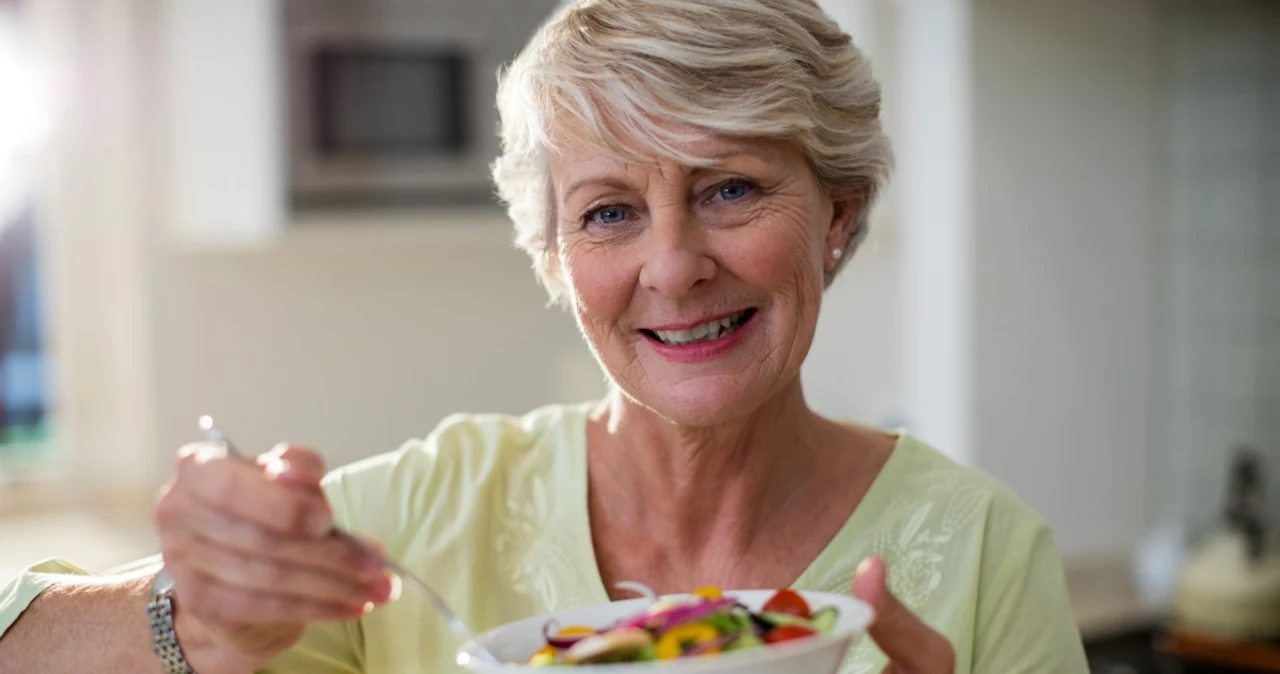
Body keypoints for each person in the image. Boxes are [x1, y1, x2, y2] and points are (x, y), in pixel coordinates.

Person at [0, 0, 1089, 672]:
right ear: (554, 253)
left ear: (838, 211)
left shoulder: (988, 556)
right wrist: (186, 614)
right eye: (608, 211)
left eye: (730, 188)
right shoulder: (418, 523)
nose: (670, 265)